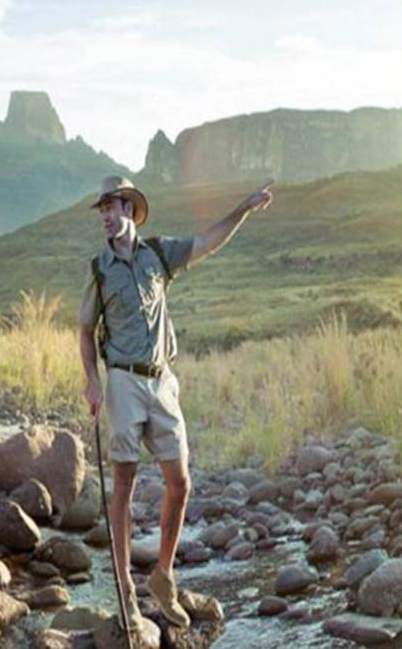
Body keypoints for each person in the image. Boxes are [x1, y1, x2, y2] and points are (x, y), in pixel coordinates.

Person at [78, 175, 274, 633]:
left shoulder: (160, 255)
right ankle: (126, 586)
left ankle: (162, 576)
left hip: (163, 382)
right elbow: (85, 331)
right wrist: (93, 381)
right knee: (123, 485)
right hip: (123, 381)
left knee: (179, 482)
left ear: (129, 209)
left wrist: (243, 207)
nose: (105, 216)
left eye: (110, 207)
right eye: (101, 209)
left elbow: (208, 241)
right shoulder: (98, 269)